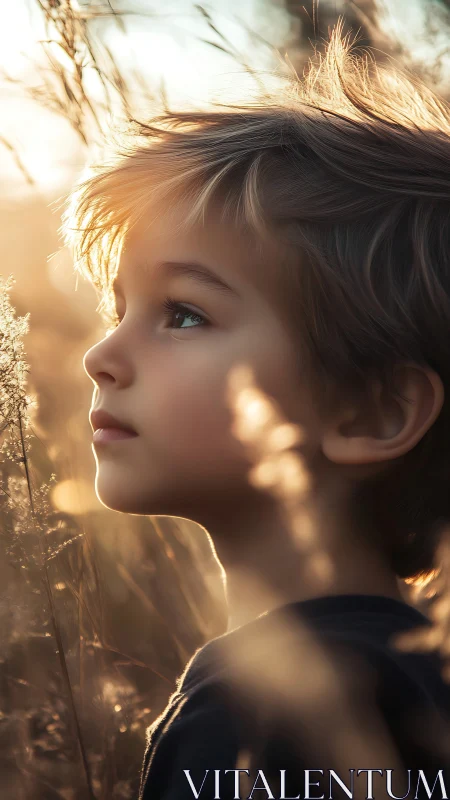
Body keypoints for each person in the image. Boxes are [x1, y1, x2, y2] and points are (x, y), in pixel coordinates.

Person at [62, 25, 450, 799]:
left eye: (183, 314)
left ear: (371, 412)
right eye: (118, 307)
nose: (99, 355)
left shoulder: (253, 719)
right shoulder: (426, 689)